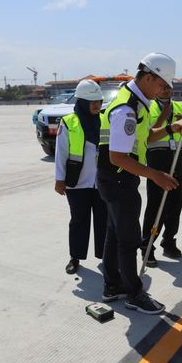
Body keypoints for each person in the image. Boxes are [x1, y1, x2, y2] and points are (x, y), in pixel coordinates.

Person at [96, 52, 182, 314]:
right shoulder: (126, 109)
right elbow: (117, 156)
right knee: (128, 240)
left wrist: (172, 127)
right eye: (162, 85)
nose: (164, 91)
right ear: (149, 78)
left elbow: (146, 137)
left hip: (115, 178)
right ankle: (134, 294)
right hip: (118, 178)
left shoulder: (138, 104)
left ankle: (112, 285)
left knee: (114, 234)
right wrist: (154, 174)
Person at [55, 79, 108, 274]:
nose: (96, 106)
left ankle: (105, 256)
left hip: (102, 182)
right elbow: (61, 153)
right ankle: (75, 257)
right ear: (82, 102)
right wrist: (59, 179)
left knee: (104, 219)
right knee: (79, 220)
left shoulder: (105, 120)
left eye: (99, 102)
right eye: (91, 102)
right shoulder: (69, 122)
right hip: (77, 182)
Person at [140, 84, 182, 267]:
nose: (166, 90)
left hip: (179, 158)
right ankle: (147, 247)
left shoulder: (181, 107)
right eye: (162, 87)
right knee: (155, 207)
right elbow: (146, 135)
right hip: (158, 160)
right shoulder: (147, 107)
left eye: (169, 87)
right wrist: (164, 119)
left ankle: (169, 241)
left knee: (175, 206)